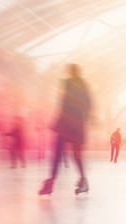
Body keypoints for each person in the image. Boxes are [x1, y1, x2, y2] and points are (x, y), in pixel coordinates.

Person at [39, 64, 92, 195]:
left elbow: (63, 103)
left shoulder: (68, 83)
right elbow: (88, 105)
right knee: (76, 155)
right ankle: (83, 180)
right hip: (78, 124)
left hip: (67, 123)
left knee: (58, 152)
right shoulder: (84, 86)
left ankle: (51, 182)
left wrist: (57, 122)